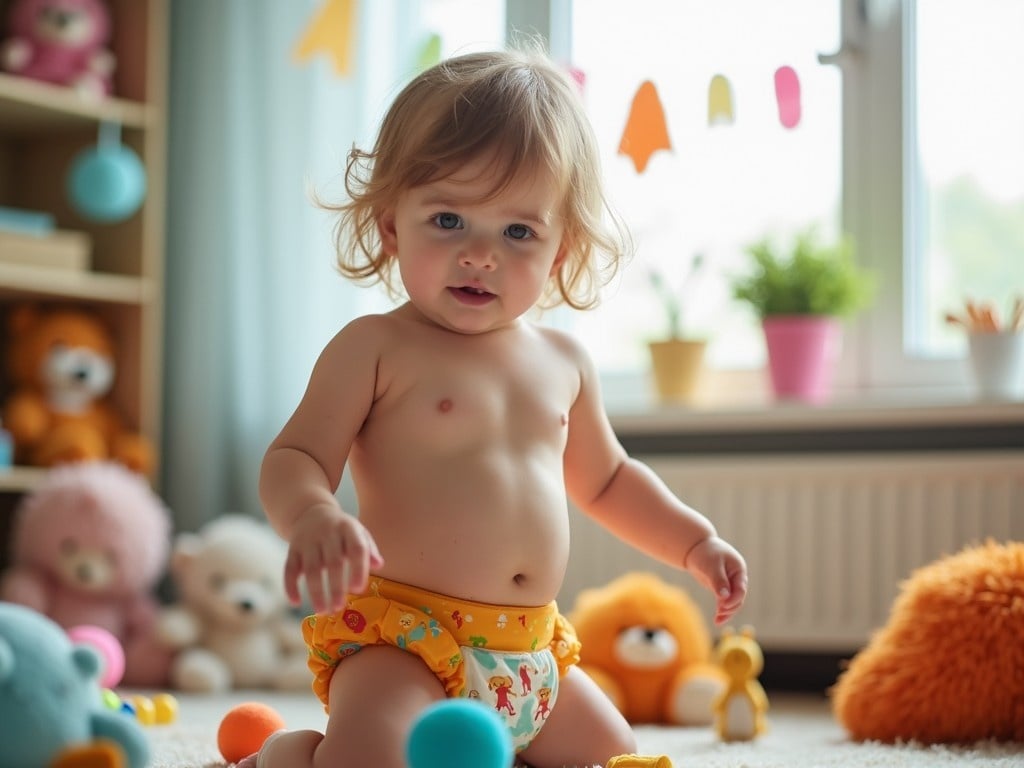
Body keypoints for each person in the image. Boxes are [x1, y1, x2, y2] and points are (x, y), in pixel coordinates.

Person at [247, 47, 747, 768]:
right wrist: (314, 516)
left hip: (529, 651)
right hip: (407, 643)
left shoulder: (564, 363)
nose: (480, 255)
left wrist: (694, 541)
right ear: (391, 226)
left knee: (617, 755)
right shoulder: (375, 346)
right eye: (448, 219)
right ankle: (295, 755)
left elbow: (606, 480)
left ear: (560, 249)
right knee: (373, 755)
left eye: (517, 232)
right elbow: (295, 457)